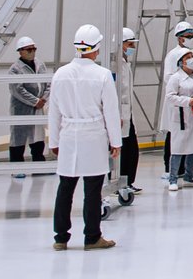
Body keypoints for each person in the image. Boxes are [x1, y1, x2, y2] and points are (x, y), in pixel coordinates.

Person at [48, 25, 120, 251]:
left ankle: (60, 238)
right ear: (96, 48)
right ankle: (92, 237)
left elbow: (54, 111)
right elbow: (111, 111)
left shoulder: (61, 74)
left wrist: (54, 142)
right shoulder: (102, 75)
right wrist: (116, 141)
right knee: (92, 191)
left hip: (69, 134)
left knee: (65, 189)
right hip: (93, 135)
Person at [164, 48, 193, 191]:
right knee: (178, 148)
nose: (191, 59)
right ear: (181, 62)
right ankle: (173, 179)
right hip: (182, 117)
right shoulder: (175, 78)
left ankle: (188, 177)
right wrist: (187, 101)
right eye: (188, 57)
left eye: (192, 56)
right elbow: (170, 96)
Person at [8, 35, 49, 176]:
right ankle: (16, 168)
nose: (32, 52)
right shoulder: (15, 69)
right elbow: (17, 90)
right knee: (18, 140)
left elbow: (48, 84)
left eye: (34, 49)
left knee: (38, 139)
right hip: (22, 109)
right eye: (29, 50)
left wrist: (43, 99)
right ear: (20, 51)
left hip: (39, 107)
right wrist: (35, 101)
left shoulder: (40, 64)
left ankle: (39, 167)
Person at [162, 21, 193, 173]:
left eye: (192, 36)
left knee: (187, 134)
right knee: (174, 134)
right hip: (177, 101)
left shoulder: (190, 54)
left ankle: (185, 168)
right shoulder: (173, 55)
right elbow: (168, 77)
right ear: (180, 37)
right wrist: (183, 84)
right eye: (188, 36)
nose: (190, 38)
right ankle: (170, 169)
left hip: (189, 101)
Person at [118, 28, 141, 192]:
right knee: (125, 150)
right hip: (120, 114)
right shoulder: (116, 65)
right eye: (130, 44)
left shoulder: (125, 63)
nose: (132, 47)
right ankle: (121, 182)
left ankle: (127, 182)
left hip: (127, 113)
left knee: (131, 150)